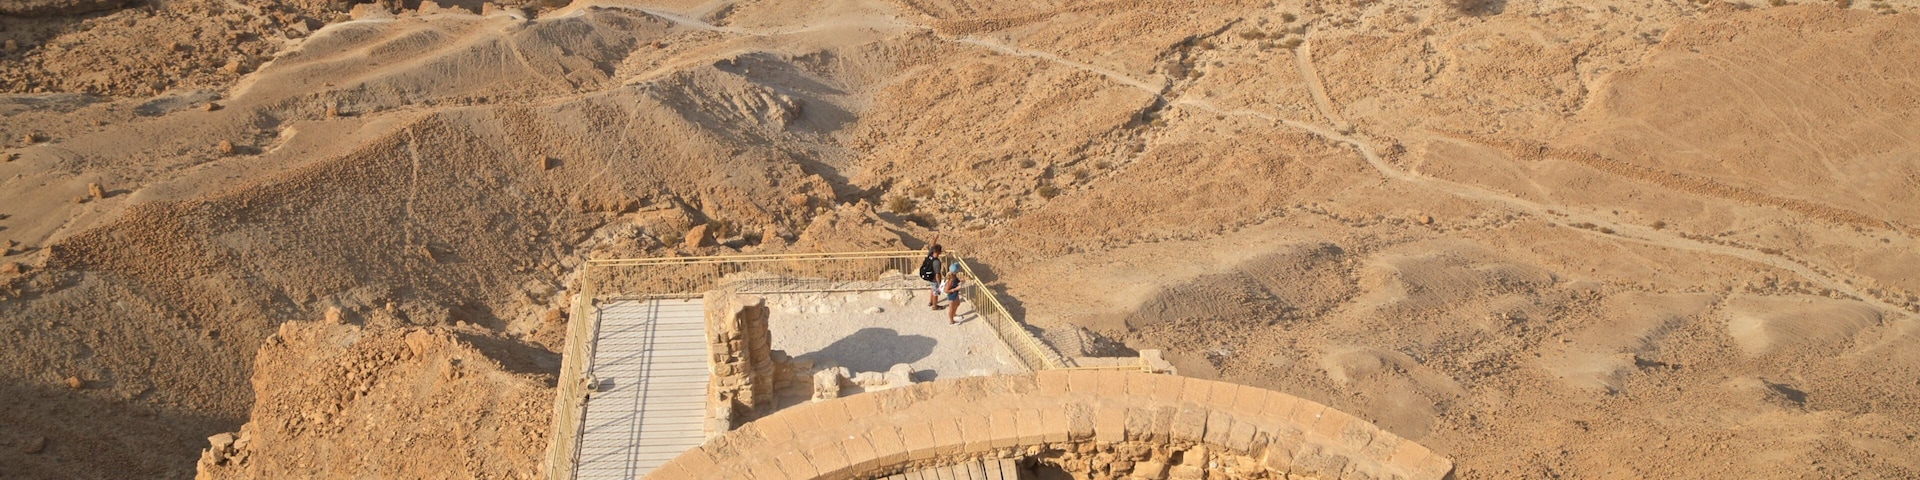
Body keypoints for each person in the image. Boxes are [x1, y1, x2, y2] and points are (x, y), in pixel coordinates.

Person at [919, 234, 944, 309]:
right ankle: (935, 306)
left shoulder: (930, 254)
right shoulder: (936, 262)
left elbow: (932, 246)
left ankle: (931, 301)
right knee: (935, 291)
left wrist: (935, 238)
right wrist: (940, 284)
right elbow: (937, 275)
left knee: (932, 288)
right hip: (933, 279)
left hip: (928, 276)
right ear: (939, 252)